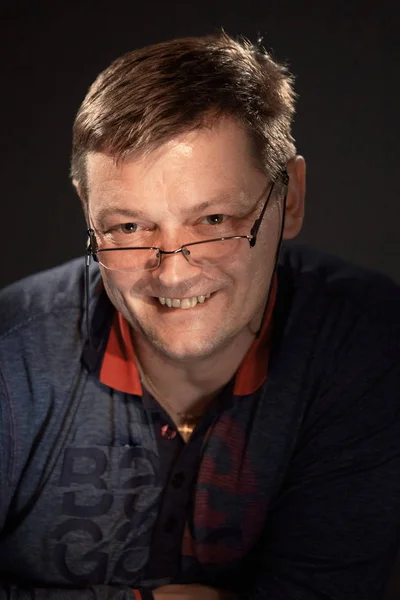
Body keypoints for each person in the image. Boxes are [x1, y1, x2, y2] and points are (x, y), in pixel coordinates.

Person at [0, 31, 399, 600]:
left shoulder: (367, 342)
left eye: (213, 220)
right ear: (88, 215)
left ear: (291, 199)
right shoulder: (11, 356)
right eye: (129, 227)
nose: (173, 272)